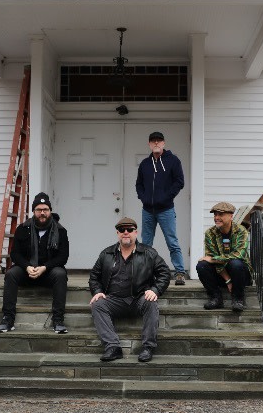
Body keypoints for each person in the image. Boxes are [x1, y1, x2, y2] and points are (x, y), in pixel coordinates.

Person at [88, 217, 171, 363]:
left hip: (139, 299)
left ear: (136, 232)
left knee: (151, 303)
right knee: (97, 304)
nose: (125, 232)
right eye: (122, 230)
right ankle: (113, 347)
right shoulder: (106, 254)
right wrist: (97, 291)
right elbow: (94, 276)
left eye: (130, 229)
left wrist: (155, 290)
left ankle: (148, 347)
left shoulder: (149, 253)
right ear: (118, 233)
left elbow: (164, 273)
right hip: (114, 300)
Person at [0, 192, 70, 334]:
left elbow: (63, 257)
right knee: (11, 274)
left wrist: (44, 267)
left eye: (45, 209)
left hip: (48, 273)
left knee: (60, 274)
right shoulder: (23, 229)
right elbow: (15, 254)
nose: (42, 213)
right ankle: (8, 319)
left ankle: (58, 320)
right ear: (34, 211)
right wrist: (27, 266)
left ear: (50, 211)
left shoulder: (60, 231)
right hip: (27, 271)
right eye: (39, 210)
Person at [135, 131, 187, 286]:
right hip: (147, 211)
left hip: (166, 210)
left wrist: (166, 197)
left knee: (172, 241)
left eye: (159, 141)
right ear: (149, 144)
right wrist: (143, 198)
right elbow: (139, 184)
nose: (156, 143)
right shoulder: (145, 164)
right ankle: (145, 274)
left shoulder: (173, 161)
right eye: (153, 141)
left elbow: (179, 182)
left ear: (164, 143)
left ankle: (179, 273)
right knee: (146, 244)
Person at [196, 202, 252, 312]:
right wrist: (228, 280)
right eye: (215, 215)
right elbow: (211, 258)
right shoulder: (210, 233)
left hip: (241, 275)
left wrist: (214, 259)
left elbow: (239, 254)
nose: (216, 218)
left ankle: (238, 299)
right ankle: (216, 298)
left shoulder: (241, 231)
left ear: (231, 216)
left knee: (235, 263)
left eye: (220, 215)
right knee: (202, 265)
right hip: (222, 274)